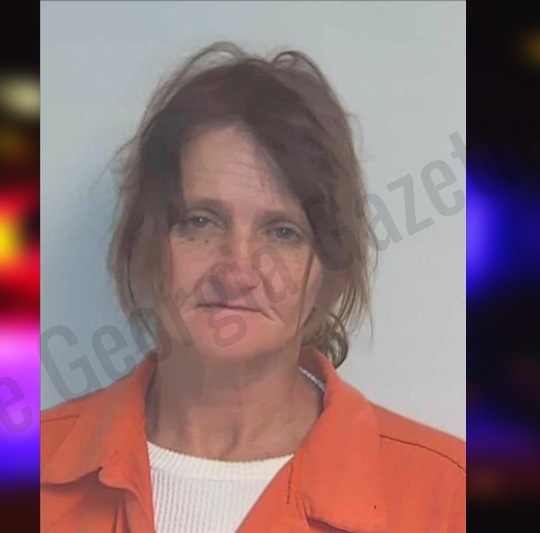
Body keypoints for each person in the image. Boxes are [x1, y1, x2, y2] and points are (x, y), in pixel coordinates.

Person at [41, 41, 465, 533]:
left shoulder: (446, 498)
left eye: (283, 232)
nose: (238, 271)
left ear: (328, 273)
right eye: (200, 221)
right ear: (144, 243)